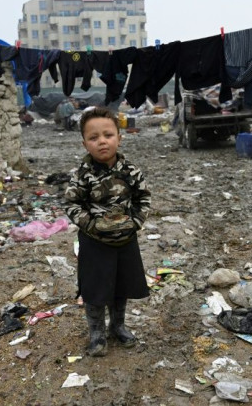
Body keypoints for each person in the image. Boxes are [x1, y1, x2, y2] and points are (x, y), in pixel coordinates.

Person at [63, 106, 151, 357]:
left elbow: (143, 199)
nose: (102, 141)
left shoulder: (131, 171)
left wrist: (134, 222)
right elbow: (71, 204)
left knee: (121, 285)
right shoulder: (82, 175)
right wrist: (92, 224)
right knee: (95, 288)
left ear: (119, 138)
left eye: (108, 135)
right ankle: (97, 334)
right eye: (93, 138)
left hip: (125, 240)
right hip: (94, 242)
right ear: (84, 143)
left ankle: (118, 326)